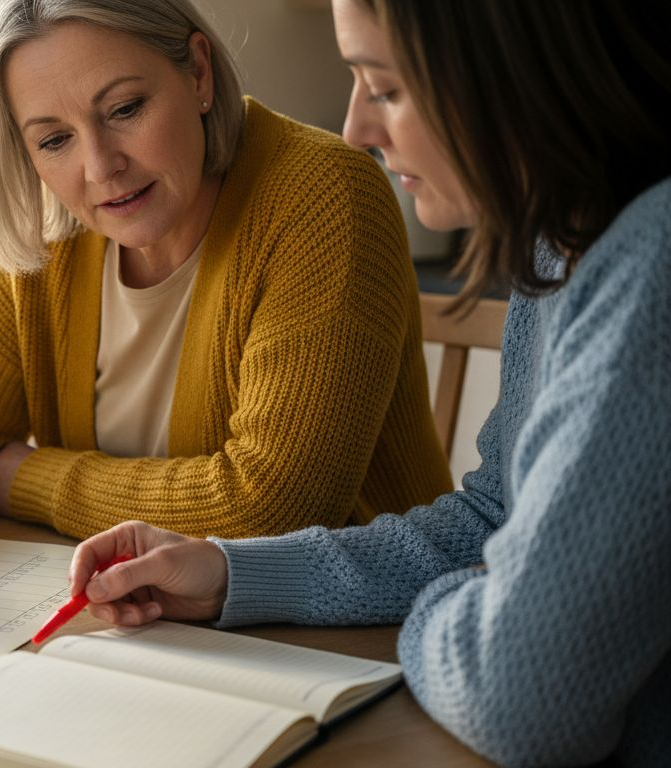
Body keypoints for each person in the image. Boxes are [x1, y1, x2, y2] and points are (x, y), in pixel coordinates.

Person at [67, 1, 671, 765]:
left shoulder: (654, 264)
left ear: (510, 74)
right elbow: (495, 517)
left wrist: (454, 605)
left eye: (384, 88)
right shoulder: (557, 240)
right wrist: (234, 573)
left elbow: (522, 694)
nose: (357, 127)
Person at [0, 0, 453, 593]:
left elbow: (269, 506)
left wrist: (29, 479)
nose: (100, 167)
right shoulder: (53, 230)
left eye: (124, 109)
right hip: (146, 626)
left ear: (199, 73)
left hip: (350, 636)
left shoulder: (323, 196)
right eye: (53, 140)